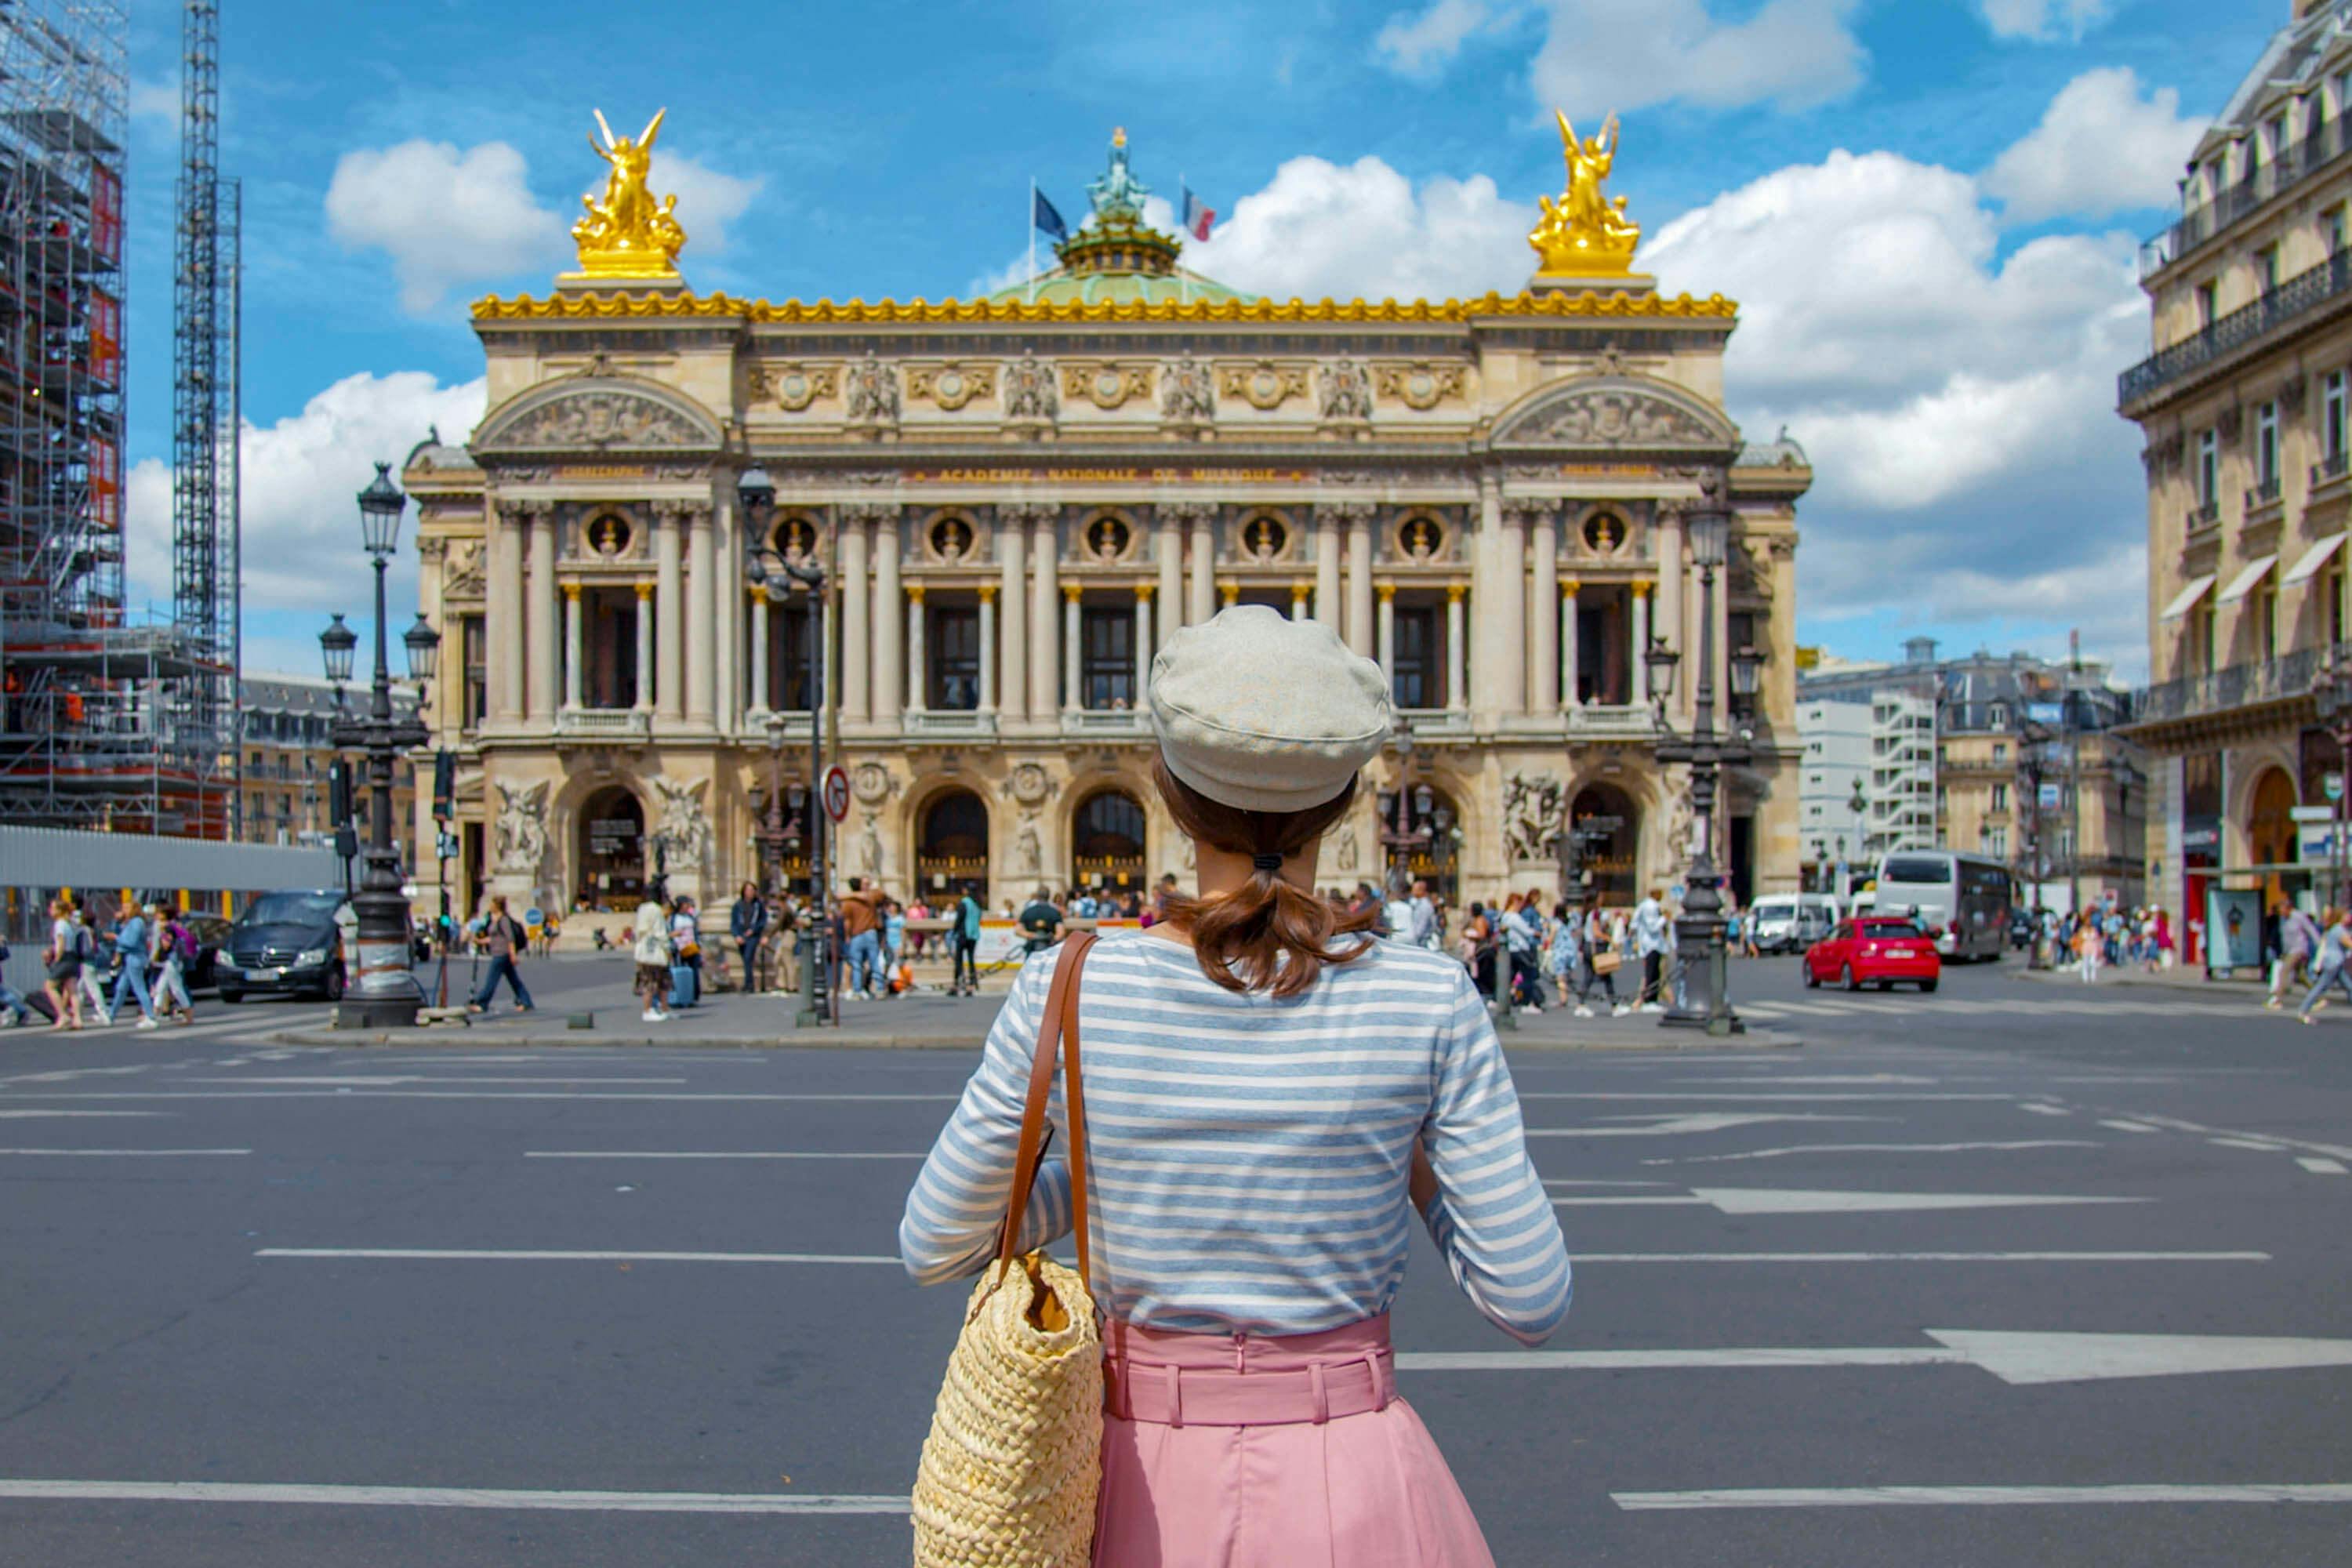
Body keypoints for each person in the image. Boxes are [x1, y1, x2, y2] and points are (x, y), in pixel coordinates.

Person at [899, 606, 1568, 1565]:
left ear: (1170, 793)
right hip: (1355, 1485)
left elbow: (936, 1240)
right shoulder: (1427, 995)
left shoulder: (1075, 980)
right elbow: (1530, 1294)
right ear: (1341, 804)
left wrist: (1122, 1164)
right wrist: (1392, 1151)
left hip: (1132, 1486)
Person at [468, 895, 535, 1014]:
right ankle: (526, 1002)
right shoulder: (495, 920)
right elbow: (494, 938)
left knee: (491, 980)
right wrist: (479, 941)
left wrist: (513, 955)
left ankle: (482, 1004)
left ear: (497, 906)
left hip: (502, 954)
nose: (489, 906)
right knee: (514, 980)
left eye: (492, 904)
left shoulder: (504, 920)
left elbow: (510, 938)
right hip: (500, 953)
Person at [106, 901, 156, 1029]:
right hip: (129, 959)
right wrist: (117, 922)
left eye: (127, 908)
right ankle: (111, 1014)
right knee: (121, 988)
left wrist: (116, 938)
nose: (124, 910)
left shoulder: (137, 922)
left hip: (135, 958)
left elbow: (131, 942)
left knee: (139, 988)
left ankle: (150, 1017)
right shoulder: (130, 922)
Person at [2300, 908, 2352, 1023]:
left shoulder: (2337, 929)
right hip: (2334, 963)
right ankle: (2303, 1011)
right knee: (2320, 987)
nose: (2349, 918)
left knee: (2350, 987)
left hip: (2335, 962)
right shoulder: (2339, 930)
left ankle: (2303, 1011)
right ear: (2340, 917)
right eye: (2347, 916)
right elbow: (2349, 944)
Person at [2268, 900, 2321, 1011]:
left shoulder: (2299, 917)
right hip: (2289, 951)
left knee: (2284, 971)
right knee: (2302, 977)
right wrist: (2284, 952)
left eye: (2283, 910)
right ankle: (2319, 998)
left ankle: (2277, 1000)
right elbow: (2284, 937)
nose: (2281, 913)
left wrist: (2320, 946)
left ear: (2289, 909)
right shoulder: (2282, 919)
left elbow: (2311, 930)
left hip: (2299, 949)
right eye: (2280, 911)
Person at [41, 897, 84, 1031]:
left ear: (59, 911)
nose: (50, 910)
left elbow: (61, 943)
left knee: (49, 986)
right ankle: (77, 1019)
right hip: (73, 958)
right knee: (72, 990)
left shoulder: (59, 924)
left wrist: (56, 960)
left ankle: (62, 1015)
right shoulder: (69, 923)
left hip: (64, 958)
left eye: (53, 908)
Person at [151, 903, 197, 1025]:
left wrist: (161, 938)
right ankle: (153, 1016)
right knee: (160, 988)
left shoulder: (168, 928)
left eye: (159, 914)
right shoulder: (176, 926)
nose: (156, 916)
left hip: (171, 962)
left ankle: (189, 1017)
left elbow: (166, 945)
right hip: (173, 962)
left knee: (176, 990)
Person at [840, 877, 884, 1000]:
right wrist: (873, 885)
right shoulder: (870, 897)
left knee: (856, 964)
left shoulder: (848, 902)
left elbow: (847, 922)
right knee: (875, 962)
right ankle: (880, 988)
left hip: (856, 935)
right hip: (870, 932)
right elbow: (881, 894)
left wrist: (848, 935)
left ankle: (857, 990)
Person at [632, 894, 672, 1022]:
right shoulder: (655, 911)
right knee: (653, 983)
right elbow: (660, 932)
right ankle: (648, 1010)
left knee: (654, 982)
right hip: (655, 952)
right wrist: (667, 948)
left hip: (645, 951)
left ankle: (658, 1009)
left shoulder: (643, 910)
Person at [1633, 887, 1670, 1012]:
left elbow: (1635, 923)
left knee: (1654, 973)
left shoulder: (1644, 905)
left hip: (1649, 943)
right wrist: (1664, 918)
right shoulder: (1651, 906)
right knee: (1652, 973)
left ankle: (1651, 1000)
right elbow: (1653, 927)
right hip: (1652, 944)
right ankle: (1650, 1000)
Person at [730, 880, 769, 993]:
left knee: (748, 958)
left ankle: (749, 984)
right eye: (748, 890)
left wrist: (754, 930)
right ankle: (748, 983)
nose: (750, 892)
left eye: (752, 890)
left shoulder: (758, 905)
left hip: (753, 936)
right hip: (741, 936)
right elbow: (734, 923)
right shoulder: (738, 905)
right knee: (746, 960)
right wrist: (737, 935)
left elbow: (763, 920)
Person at [669, 895, 703, 1007]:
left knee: (694, 973)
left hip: (691, 946)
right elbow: (670, 931)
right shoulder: (673, 918)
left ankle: (692, 996)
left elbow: (696, 930)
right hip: (679, 947)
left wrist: (698, 944)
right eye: (685, 904)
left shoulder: (691, 917)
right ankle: (680, 996)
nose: (687, 906)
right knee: (680, 972)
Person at [949, 886, 983, 996]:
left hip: (963, 934)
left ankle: (959, 984)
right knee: (971, 960)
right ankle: (971, 984)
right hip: (973, 934)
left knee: (959, 960)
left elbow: (959, 918)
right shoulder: (978, 904)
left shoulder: (964, 902)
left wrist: (954, 931)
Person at [1017, 884, 1064, 956]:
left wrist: (1031, 935)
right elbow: (1060, 933)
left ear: (1037, 896)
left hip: (1031, 951)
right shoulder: (1054, 912)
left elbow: (1018, 930)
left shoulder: (1028, 911)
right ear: (1049, 896)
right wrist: (1051, 939)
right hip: (1049, 951)